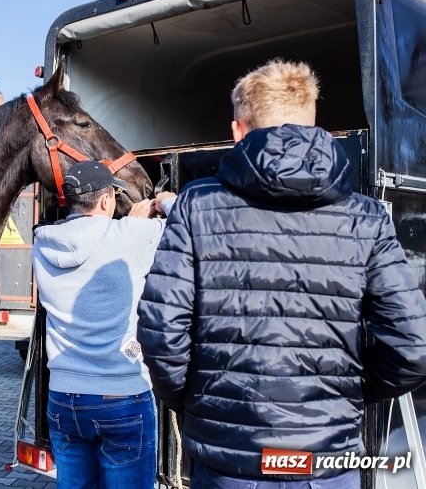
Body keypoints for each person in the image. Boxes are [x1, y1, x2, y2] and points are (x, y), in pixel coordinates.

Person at [136, 59, 426, 489]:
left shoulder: (197, 205)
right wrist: (349, 394)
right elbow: (413, 344)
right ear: (316, 127)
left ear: (238, 131)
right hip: (326, 464)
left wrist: (197, 402)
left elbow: (161, 334)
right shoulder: (365, 218)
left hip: (229, 466)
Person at [32, 160, 176, 489]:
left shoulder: (43, 244)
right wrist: (160, 201)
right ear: (107, 200)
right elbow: (193, 219)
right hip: (121, 397)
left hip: (63, 398)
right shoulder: (130, 235)